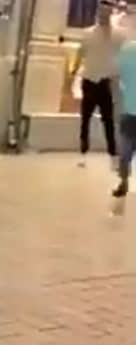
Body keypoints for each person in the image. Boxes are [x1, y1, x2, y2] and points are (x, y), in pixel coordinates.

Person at [71, 0, 126, 169]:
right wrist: (74, 72)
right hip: (89, 80)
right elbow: (80, 54)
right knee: (85, 118)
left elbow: (123, 55)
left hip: (105, 82)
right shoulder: (87, 34)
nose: (104, 14)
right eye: (102, 10)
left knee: (108, 120)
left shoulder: (118, 35)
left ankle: (112, 154)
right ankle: (83, 152)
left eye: (107, 10)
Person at [111, 4, 136, 214]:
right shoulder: (128, 51)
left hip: (128, 110)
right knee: (125, 151)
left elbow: (116, 77)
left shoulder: (128, 50)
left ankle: (123, 181)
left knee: (126, 152)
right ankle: (123, 181)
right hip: (129, 110)